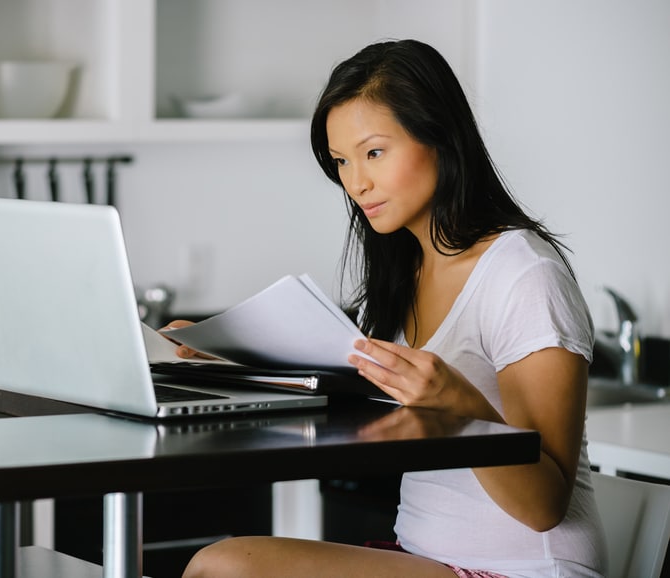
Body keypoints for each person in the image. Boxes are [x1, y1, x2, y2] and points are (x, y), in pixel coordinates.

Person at [177, 39, 607, 578]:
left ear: (441, 137)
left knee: (225, 567)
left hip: (523, 569)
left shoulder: (525, 276)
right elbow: (347, 390)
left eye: (374, 152)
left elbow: (545, 507)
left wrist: (461, 412)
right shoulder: (404, 269)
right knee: (220, 561)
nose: (356, 182)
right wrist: (224, 352)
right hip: (424, 556)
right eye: (341, 161)